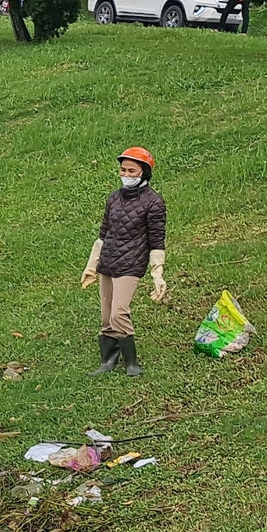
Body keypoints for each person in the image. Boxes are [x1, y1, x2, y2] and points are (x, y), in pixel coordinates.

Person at [80, 148, 167, 376]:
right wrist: (91, 266)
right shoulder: (114, 198)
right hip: (108, 261)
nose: (126, 174)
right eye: (123, 169)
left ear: (144, 173)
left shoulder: (154, 203)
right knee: (106, 315)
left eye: (132, 170)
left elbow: (157, 241)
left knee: (119, 312)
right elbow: (103, 234)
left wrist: (157, 274)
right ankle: (108, 361)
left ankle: (132, 363)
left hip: (131, 264)